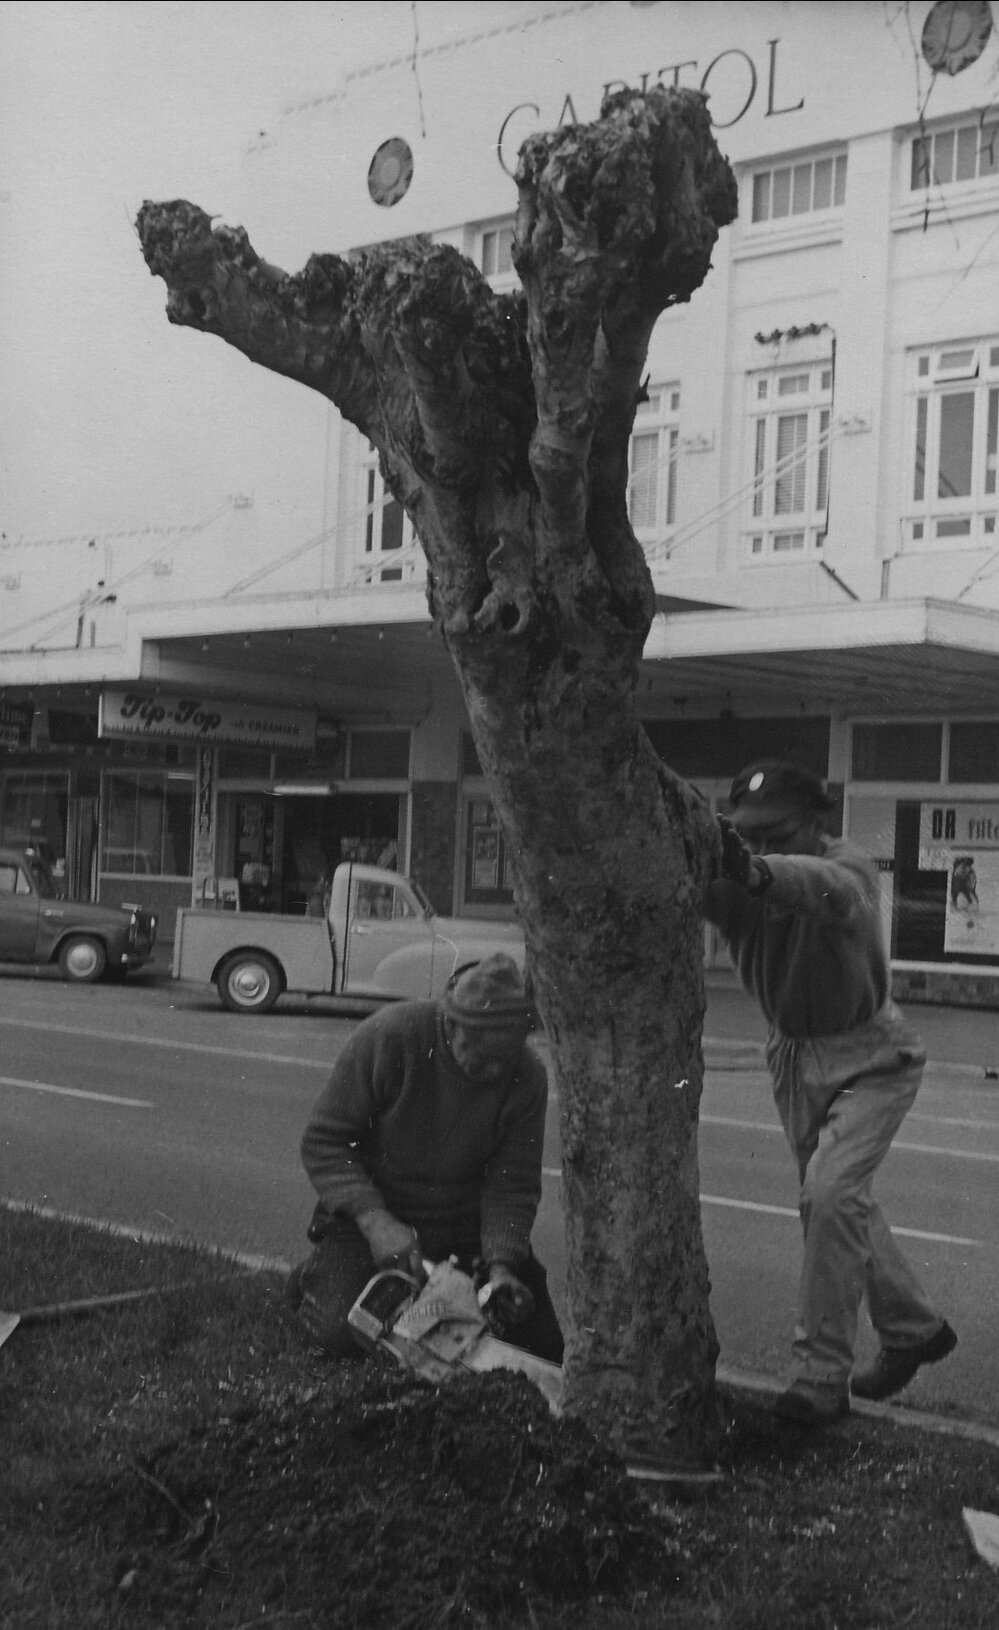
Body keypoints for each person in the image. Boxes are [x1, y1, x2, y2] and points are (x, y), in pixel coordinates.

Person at [704, 759, 957, 1426]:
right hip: (792, 1055)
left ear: (817, 823)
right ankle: (913, 1328)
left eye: (778, 834)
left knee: (829, 1194)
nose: (761, 847)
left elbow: (833, 892)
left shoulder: (847, 867)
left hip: (873, 1053)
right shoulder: (732, 873)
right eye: (750, 836)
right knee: (833, 1205)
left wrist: (758, 871)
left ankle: (820, 1375)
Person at [287, 953, 564, 1365]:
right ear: (450, 1023)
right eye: (474, 1050)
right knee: (342, 1338)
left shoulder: (528, 1074)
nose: (487, 1070)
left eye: (501, 1058)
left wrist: (502, 1267)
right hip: (372, 1217)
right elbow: (325, 1140)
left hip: (463, 1228)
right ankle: (312, 1277)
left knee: (541, 1352)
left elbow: (512, 1184)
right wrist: (376, 1221)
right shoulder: (391, 1036)